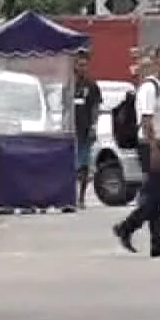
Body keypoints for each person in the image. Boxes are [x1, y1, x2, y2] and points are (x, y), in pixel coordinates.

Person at [112, 48, 160, 257]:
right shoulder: (149, 87)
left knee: (159, 196)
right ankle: (126, 227)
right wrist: (154, 148)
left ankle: (158, 242)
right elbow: (146, 120)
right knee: (154, 196)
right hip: (150, 145)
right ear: (156, 62)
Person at [71, 50, 104, 207]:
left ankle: (81, 198)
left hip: (85, 130)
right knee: (70, 164)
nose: (82, 67)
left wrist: (93, 125)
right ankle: (70, 195)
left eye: (84, 64)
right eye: (79, 64)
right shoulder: (68, 84)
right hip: (70, 129)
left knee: (83, 165)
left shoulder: (92, 86)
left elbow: (96, 107)